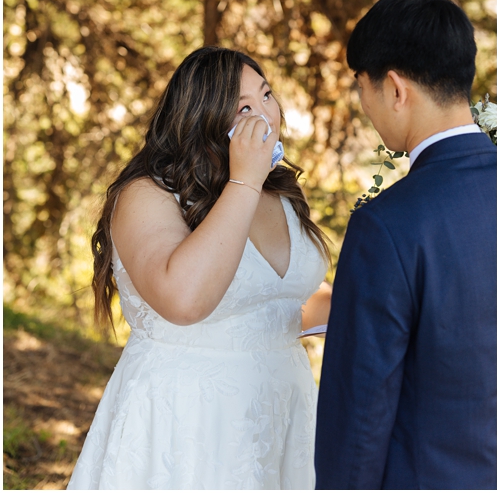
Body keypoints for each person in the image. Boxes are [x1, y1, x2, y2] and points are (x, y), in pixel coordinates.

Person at [68, 47, 332, 489]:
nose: (265, 115)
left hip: (283, 408)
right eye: (244, 108)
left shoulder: (283, 193)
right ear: (202, 120)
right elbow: (184, 299)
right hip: (189, 415)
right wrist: (243, 180)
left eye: (266, 95)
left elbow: (285, 299)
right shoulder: (147, 196)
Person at [314, 0, 497, 489]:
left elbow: (360, 410)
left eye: (361, 86)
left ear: (394, 88)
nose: (363, 105)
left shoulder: (387, 225)